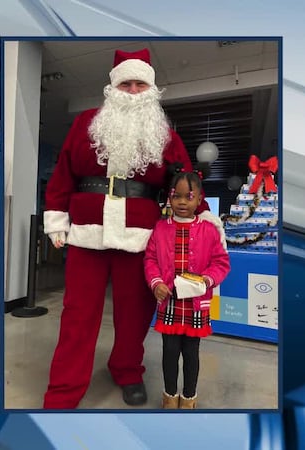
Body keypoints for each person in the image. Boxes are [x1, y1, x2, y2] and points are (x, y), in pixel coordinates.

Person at [42, 48, 220, 409]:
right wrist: (56, 218)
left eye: (141, 83)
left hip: (140, 237)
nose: (134, 90)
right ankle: (63, 389)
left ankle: (127, 369)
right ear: (113, 87)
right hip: (87, 232)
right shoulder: (86, 123)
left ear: (151, 89)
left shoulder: (164, 133)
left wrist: (204, 218)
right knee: (78, 314)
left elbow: (185, 179)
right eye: (127, 83)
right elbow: (63, 172)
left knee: (134, 313)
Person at [144, 172, 230, 409]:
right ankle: (169, 397)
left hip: (195, 304)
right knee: (169, 352)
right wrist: (156, 282)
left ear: (199, 199)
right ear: (169, 198)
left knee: (191, 354)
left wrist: (207, 280)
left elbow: (221, 262)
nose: (182, 202)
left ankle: (189, 398)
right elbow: (150, 259)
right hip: (170, 302)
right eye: (177, 196)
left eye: (189, 197)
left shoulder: (209, 230)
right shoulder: (160, 229)